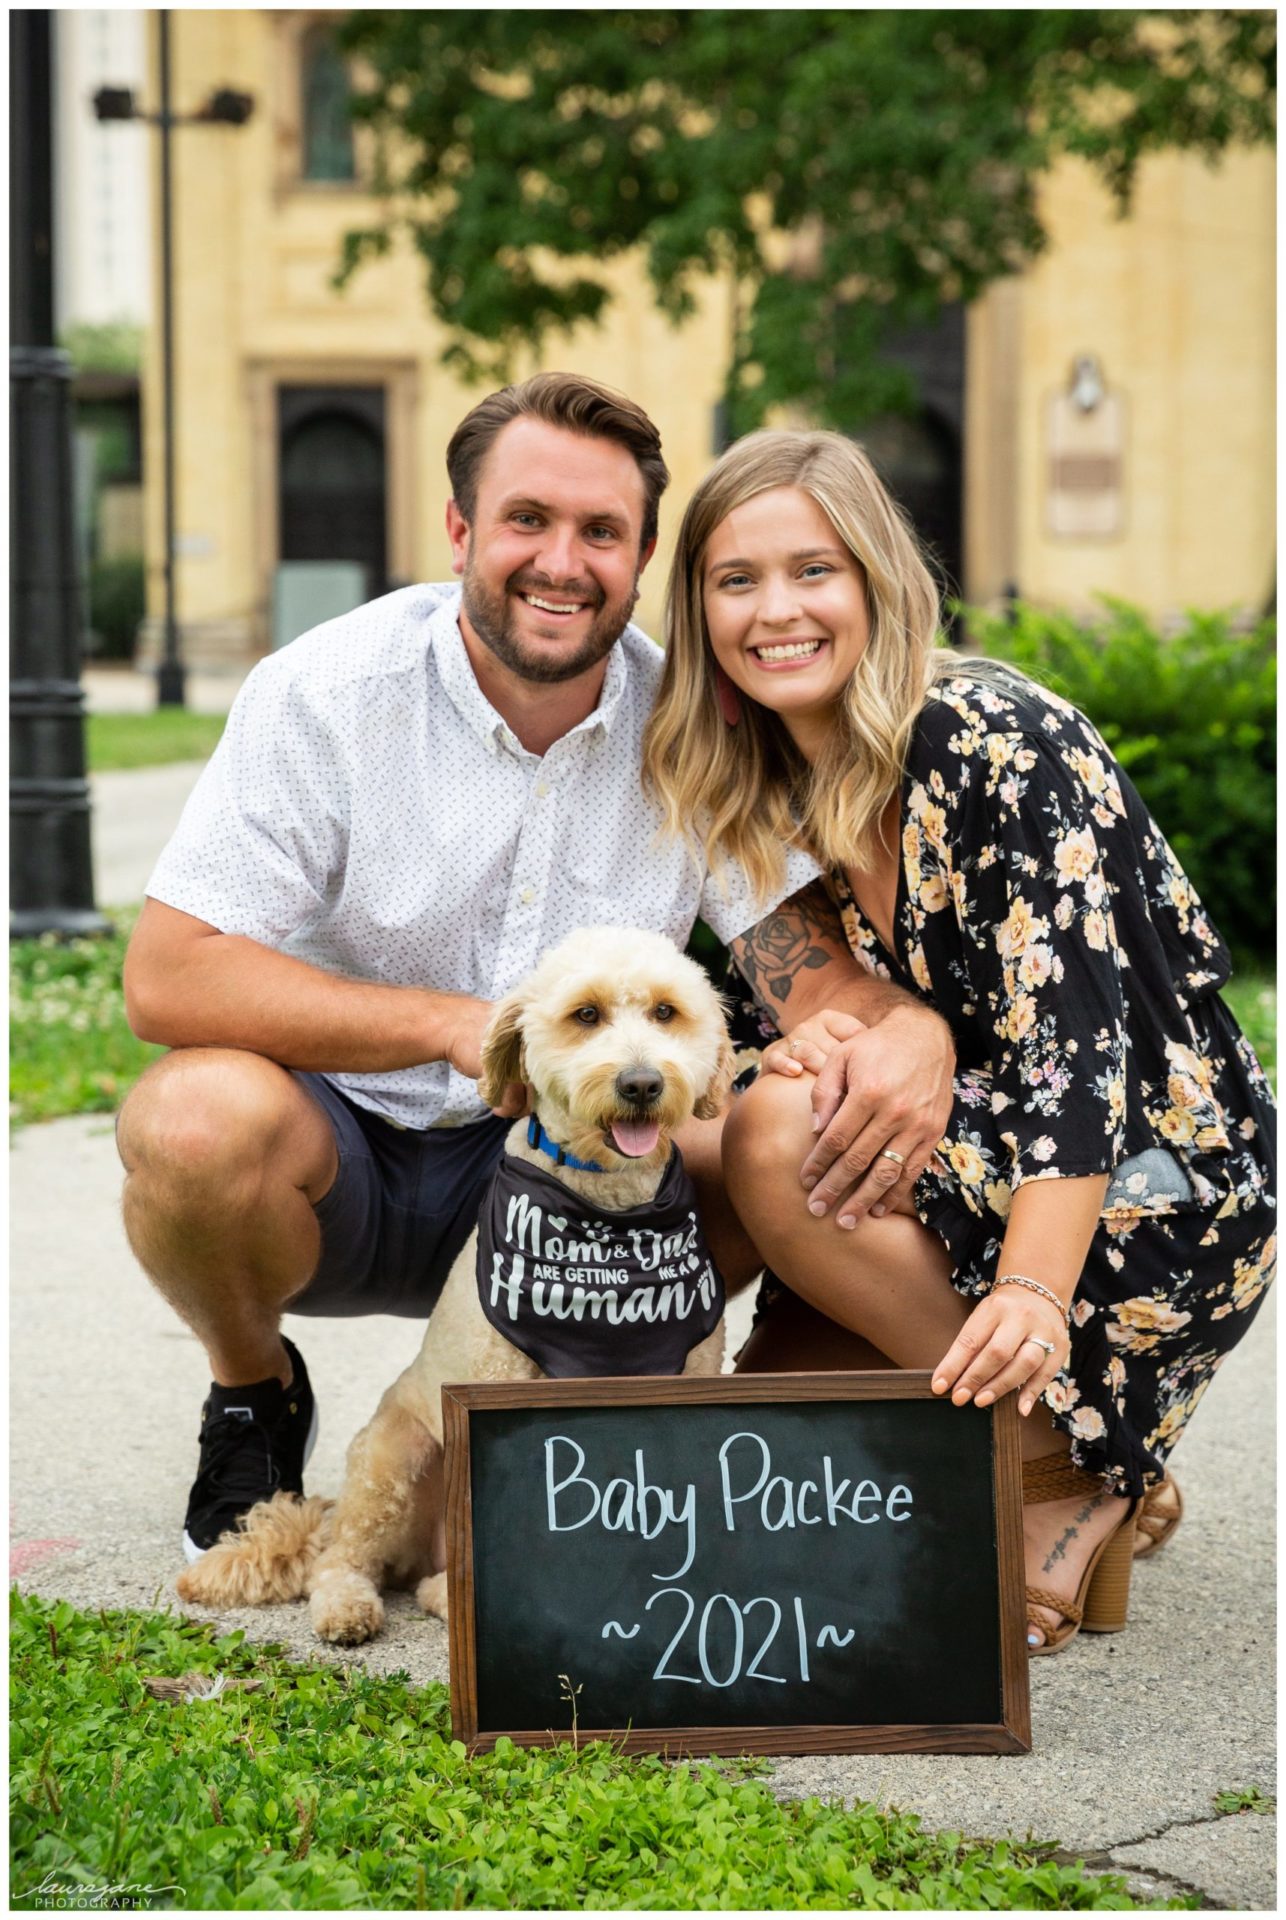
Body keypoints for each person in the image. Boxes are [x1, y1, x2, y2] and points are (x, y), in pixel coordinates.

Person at [117, 374, 957, 1564]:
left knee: (785, 1122)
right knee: (188, 1122)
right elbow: (166, 977)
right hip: (340, 1157)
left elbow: (809, 979)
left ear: (642, 555)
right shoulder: (324, 695)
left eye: (600, 533)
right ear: (460, 529)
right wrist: (453, 1025)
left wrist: (903, 1027)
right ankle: (255, 1393)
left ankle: (635, 1432)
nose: (560, 561)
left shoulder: (687, 727)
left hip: (593, 1179)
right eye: (526, 520)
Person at [642, 428, 1276, 1653]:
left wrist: (1034, 1295)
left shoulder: (992, 741)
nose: (776, 610)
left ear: (880, 582)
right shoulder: (749, 782)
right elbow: (821, 1023)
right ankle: (1091, 1456)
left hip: (1155, 1182)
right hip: (967, 1166)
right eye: (735, 580)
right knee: (756, 1454)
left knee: (777, 1130)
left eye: (812, 571)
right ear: (699, 606)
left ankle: (1059, 1466)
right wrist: (805, 1051)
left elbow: (1078, 1059)